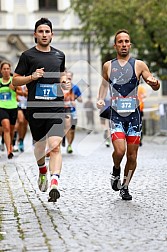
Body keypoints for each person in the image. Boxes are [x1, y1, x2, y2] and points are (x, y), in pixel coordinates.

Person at [97, 29, 160, 200]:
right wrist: (101, 99)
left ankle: (125, 186)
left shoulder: (139, 64)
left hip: (134, 117)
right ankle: (116, 169)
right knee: (119, 151)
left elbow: (151, 80)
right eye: (120, 42)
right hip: (116, 115)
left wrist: (155, 83)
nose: (123, 45)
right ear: (115, 45)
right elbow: (103, 85)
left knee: (132, 156)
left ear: (130, 44)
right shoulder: (108, 66)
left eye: (126, 41)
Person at [12, 17, 71, 202]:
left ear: (52, 35)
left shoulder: (59, 55)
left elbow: (61, 74)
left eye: (47, 32)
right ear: (35, 35)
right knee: (39, 148)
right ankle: (42, 170)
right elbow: (15, 80)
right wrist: (32, 76)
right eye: (41, 32)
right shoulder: (28, 56)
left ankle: (55, 182)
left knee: (54, 147)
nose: (44, 35)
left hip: (55, 107)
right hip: (36, 108)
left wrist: (64, 81)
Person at [0, 61, 18, 159]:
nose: (6, 71)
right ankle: (9, 151)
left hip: (13, 107)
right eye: (4, 69)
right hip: (2, 107)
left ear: (10, 70)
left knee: (11, 130)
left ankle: (10, 144)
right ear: (1, 70)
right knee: (6, 127)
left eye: (8, 69)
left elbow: (22, 93)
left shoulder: (14, 81)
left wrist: (15, 88)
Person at [65, 71, 82, 154]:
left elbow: (81, 100)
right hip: (65, 109)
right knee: (67, 126)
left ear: (72, 77)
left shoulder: (75, 87)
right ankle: (68, 144)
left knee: (72, 129)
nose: (68, 78)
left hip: (73, 110)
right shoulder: (62, 87)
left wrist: (76, 98)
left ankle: (70, 144)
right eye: (67, 76)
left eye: (70, 77)